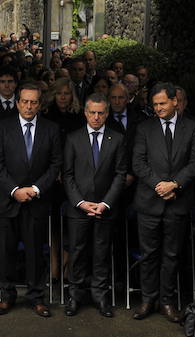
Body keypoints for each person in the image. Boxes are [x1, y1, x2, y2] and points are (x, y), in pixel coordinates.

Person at [131, 82, 195, 323]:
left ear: (175, 101)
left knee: (172, 255)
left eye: (162, 103)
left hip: (178, 201)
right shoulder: (144, 128)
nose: (158, 108)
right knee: (149, 254)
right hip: (149, 201)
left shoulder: (192, 128)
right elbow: (138, 163)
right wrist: (159, 186)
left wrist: (175, 184)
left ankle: (167, 302)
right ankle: (147, 300)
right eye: (155, 104)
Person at [0, 81, 63, 317]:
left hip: (37, 199)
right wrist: (14, 190)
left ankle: (36, 297)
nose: (29, 106)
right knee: (6, 250)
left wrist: (35, 189)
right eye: (25, 101)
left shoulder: (51, 129)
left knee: (35, 252)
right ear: (18, 102)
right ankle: (7, 295)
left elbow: (55, 165)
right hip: (8, 200)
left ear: (40, 104)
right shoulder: (2, 128)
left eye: (33, 102)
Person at [63, 93, 128, 317]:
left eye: (101, 113)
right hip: (78, 208)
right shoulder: (72, 138)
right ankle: (75, 296)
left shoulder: (117, 139)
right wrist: (80, 202)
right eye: (93, 112)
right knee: (78, 252)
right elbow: (67, 175)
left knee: (102, 253)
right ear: (85, 112)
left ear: (107, 114)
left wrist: (106, 203)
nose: (97, 117)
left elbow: (120, 175)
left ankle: (101, 296)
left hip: (105, 208)